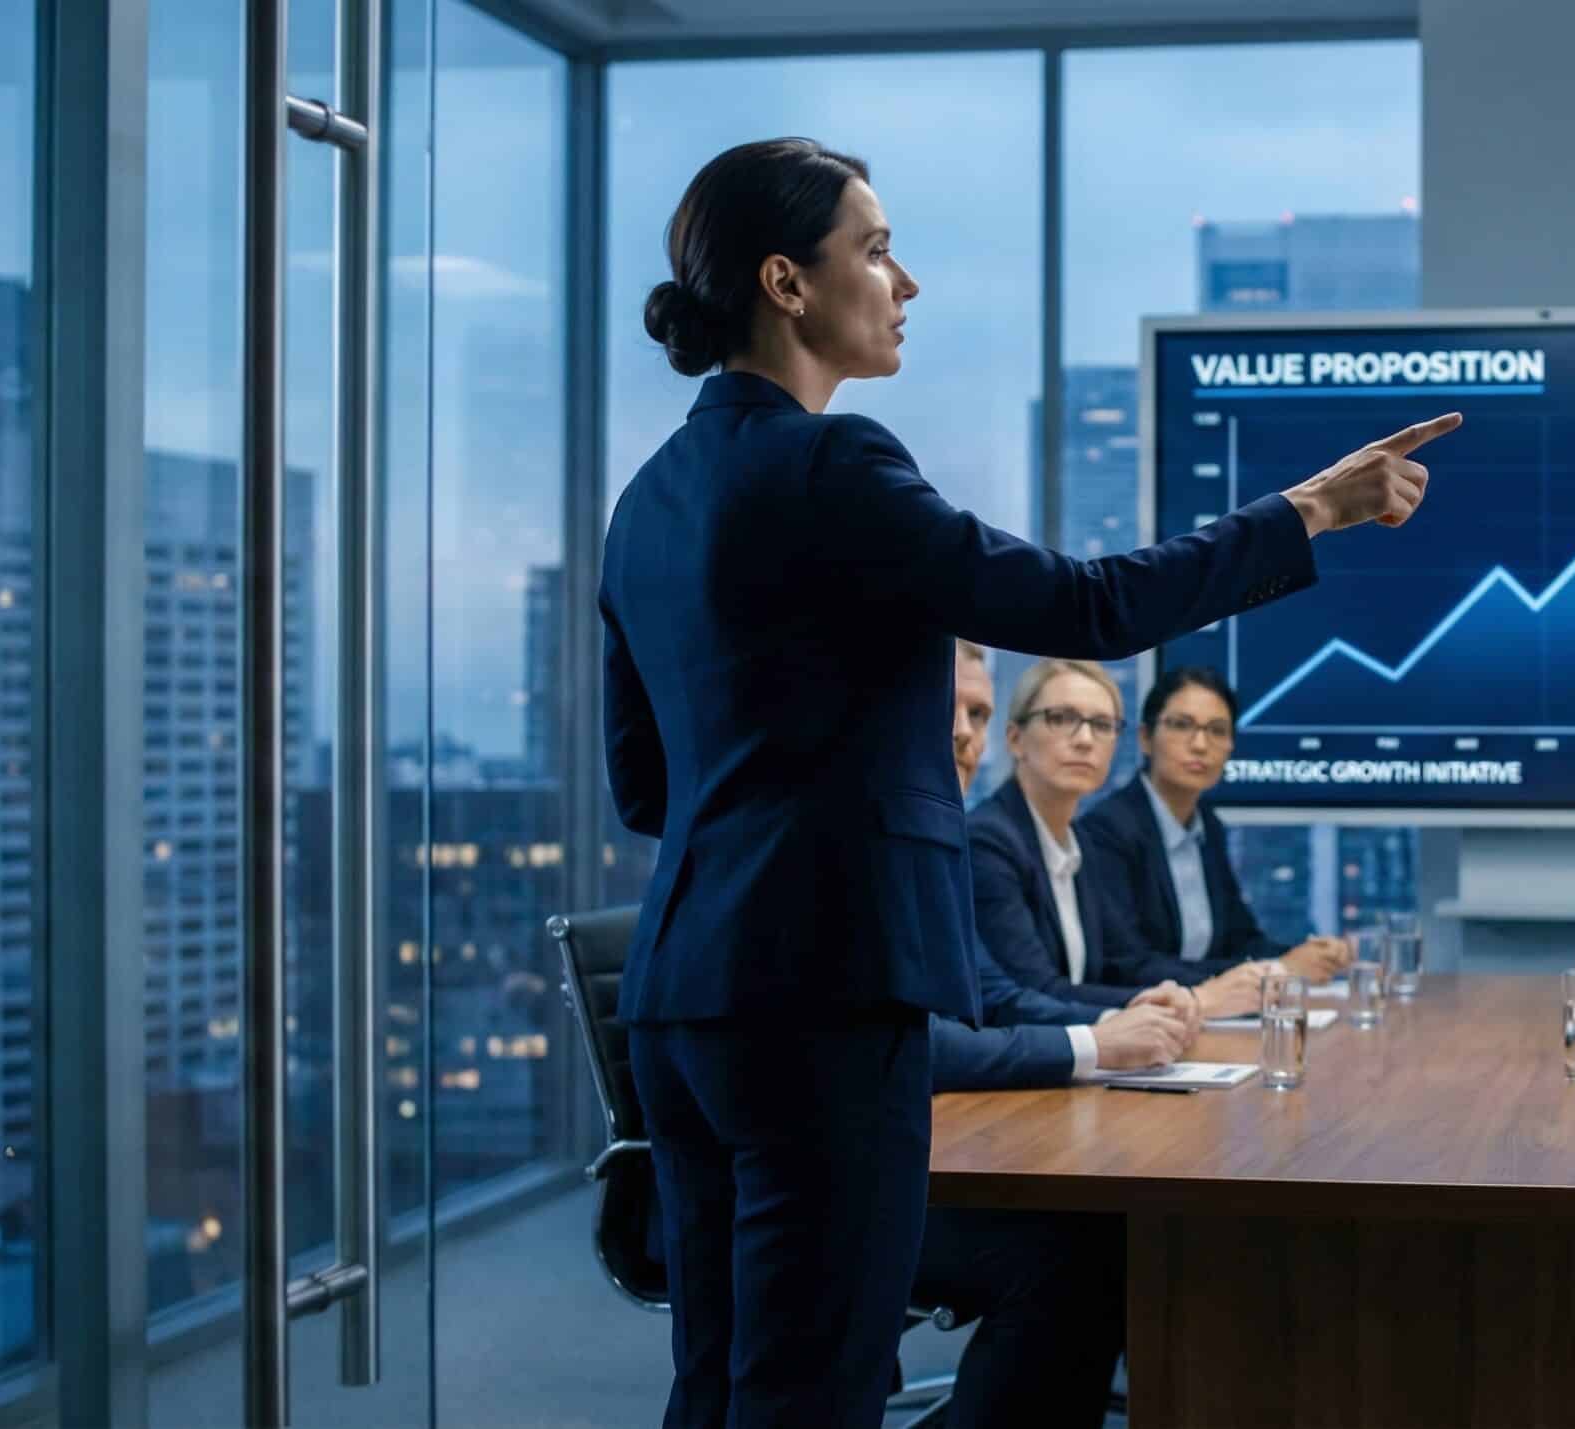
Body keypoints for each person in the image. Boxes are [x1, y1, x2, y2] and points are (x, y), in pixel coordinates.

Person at [602, 136, 1457, 1426]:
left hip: (680, 1001)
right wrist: (1309, 513)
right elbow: (1084, 603)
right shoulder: (833, 463)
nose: (906, 282)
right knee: (814, 1387)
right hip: (825, 996)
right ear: (786, 281)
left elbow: (644, 786)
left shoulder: (647, 499)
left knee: (722, 1380)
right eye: (876, 248)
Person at [914, 643, 1185, 1426]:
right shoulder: (964, 842)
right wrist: (1105, 1040)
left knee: (1104, 1230)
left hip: (909, 1142)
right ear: (1020, 740)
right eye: (1063, 718)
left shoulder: (953, 845)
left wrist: (1145, 1009)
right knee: (1080, 1252)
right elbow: (938, 1035)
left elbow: (993, 995)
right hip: (820, 1178)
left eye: (975, 712)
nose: (963, 735)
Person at [971, 658, 1275, 1016]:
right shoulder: (990, 840)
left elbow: (1119, 966)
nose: (1085, 740)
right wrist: (1197, 1001)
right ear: (1015, 739)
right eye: (1062, 719)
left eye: (1101, 725)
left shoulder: (1077, 842)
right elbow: (1034, 991)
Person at [1079, 666, 1355, 985]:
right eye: (1182, 725)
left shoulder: (1207, 826)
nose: (1200, 744)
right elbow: (1128, 967)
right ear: (1146, 738)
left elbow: (1241, 943)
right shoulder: (1107, 831)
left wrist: (1308, 956)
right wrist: (1278, 971)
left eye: (1217, 730)